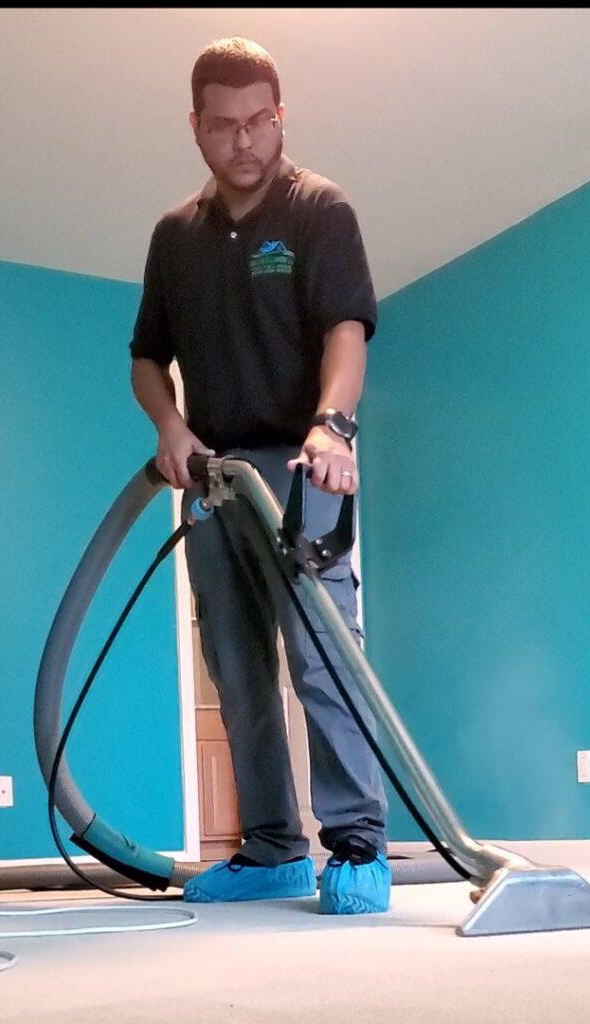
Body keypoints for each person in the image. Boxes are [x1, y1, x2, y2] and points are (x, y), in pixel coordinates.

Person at [129, 37, 390, 915]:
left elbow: (346, 330)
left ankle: (356, 843)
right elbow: (147, 358)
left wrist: (334, 425)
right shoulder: (175, 236)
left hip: (301, 464)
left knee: (323, 659)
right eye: (223, 126)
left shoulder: (319, 209)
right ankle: (273, 850)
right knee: (235, 668)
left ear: (279, 118)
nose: (243, 141)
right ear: (196, 127)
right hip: (213, 480)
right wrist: (170, 425)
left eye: (258, 122)